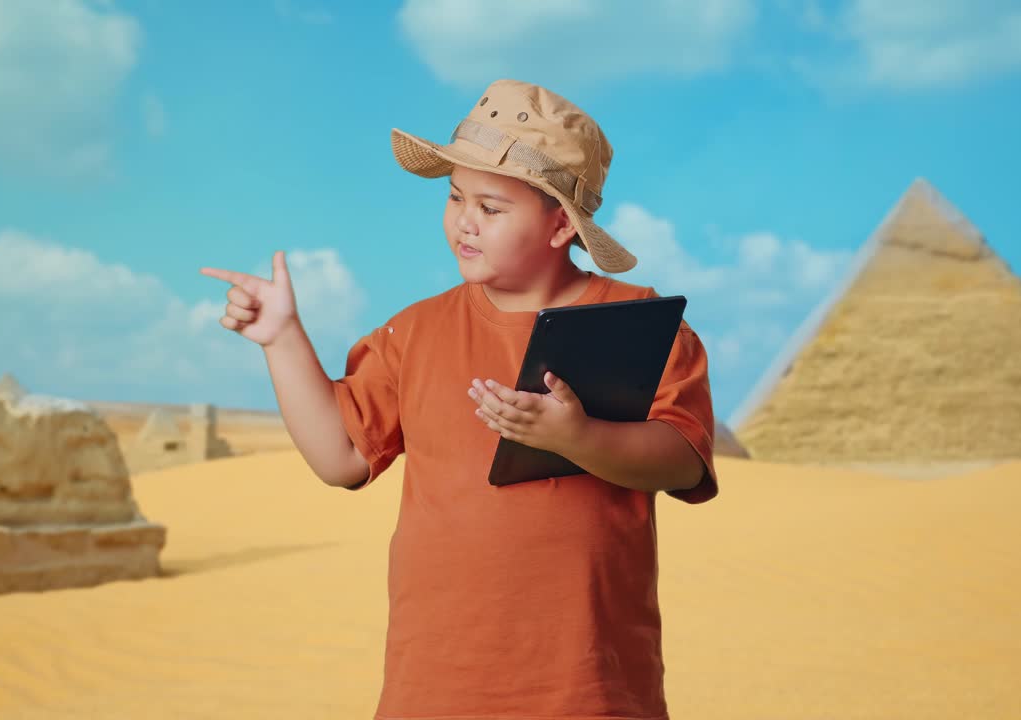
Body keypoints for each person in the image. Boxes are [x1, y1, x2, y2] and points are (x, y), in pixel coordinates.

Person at [200, 78, 720, 720]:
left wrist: (581, 439)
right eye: (454, 198)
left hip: (588, 688)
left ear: (561, 224)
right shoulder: (412, 332)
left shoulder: (641, 322)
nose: (463, 221)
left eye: (492, 208)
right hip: (438, 684)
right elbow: (340, 458)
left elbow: (684, 458)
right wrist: (281, 339)